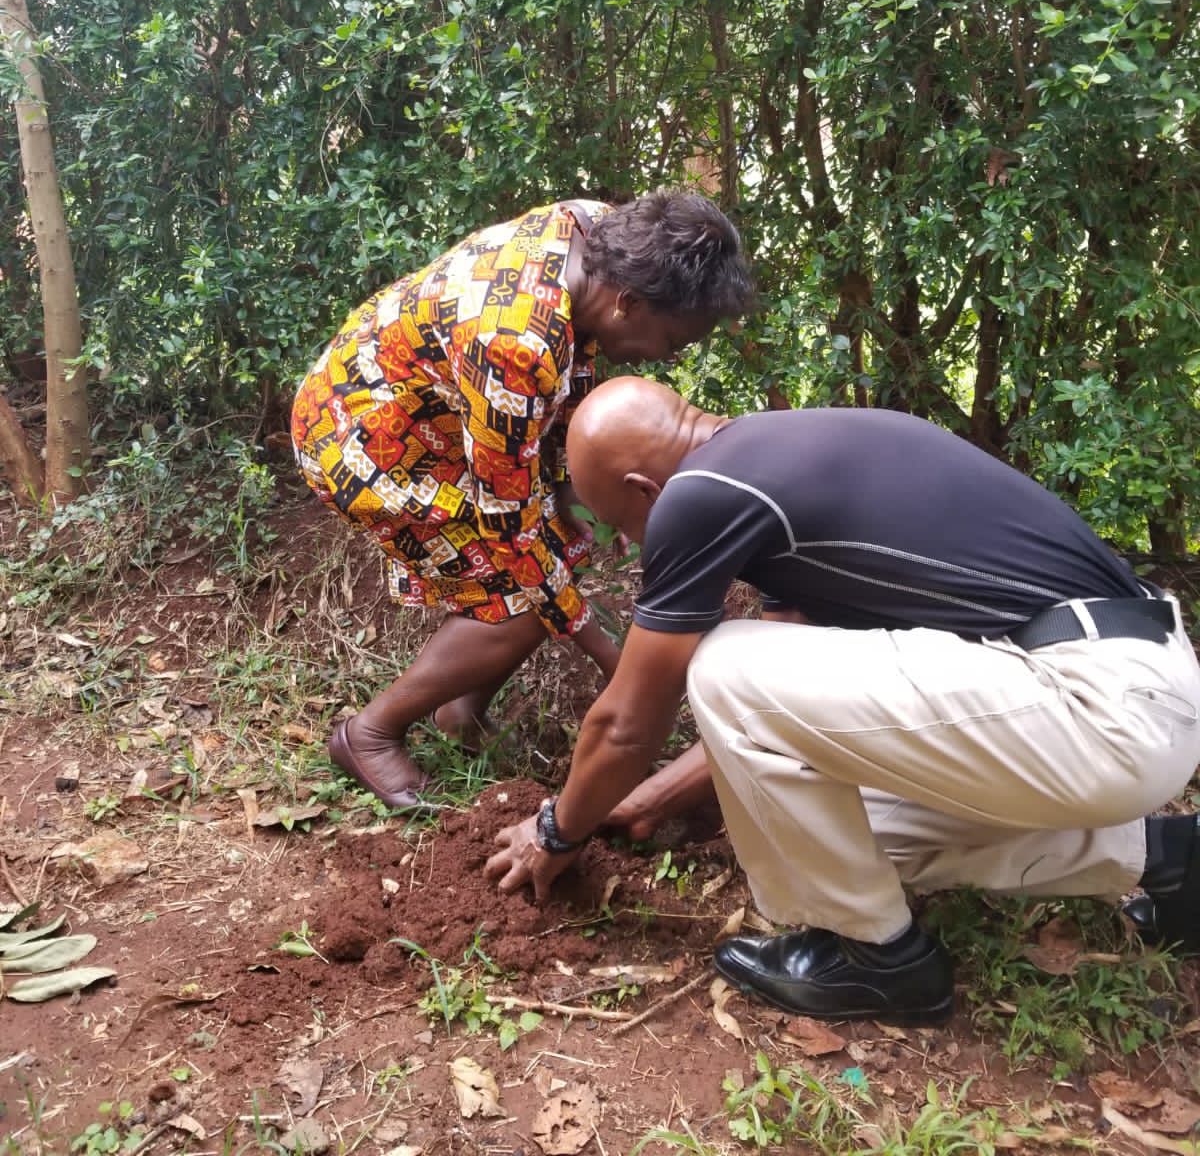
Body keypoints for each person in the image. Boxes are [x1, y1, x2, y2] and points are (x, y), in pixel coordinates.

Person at [485, 376, 1200, 1026]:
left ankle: (880, 960)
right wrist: (644, 805)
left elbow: (627, 723)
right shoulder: (790, 456)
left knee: (722, 659)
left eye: (627, 527)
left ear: (645, 489)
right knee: (843, 839)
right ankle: (1162, 857)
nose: (639, 542)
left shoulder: (702, 492)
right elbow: (776, 710)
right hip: (1133, 689)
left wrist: (557, 831)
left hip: (1095, 703)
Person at [292, 198, 752, 809]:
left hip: (437, 416)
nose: (666, 358)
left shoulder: (596, 232)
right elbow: (510, 531)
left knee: (551, 557)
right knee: (524, 599)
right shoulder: (515, 344)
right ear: (627, 304)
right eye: (670, 339)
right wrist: (613, 660)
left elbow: (556, 391)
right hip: (362, 439)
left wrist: (567, 495)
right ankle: (370, 734)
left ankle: (460, 712)